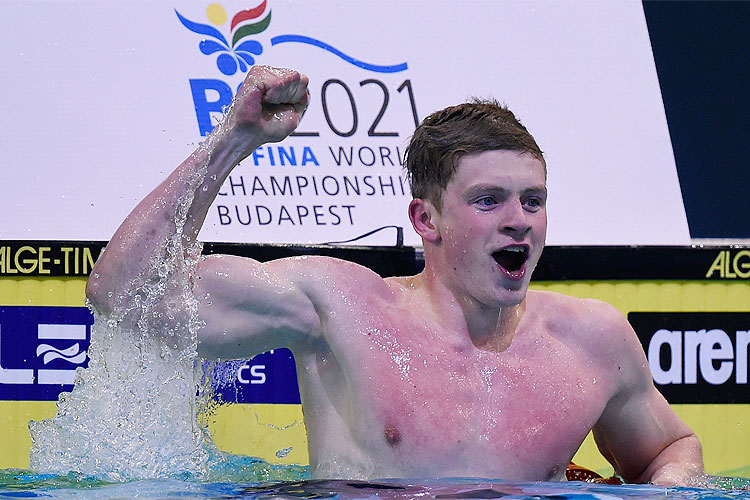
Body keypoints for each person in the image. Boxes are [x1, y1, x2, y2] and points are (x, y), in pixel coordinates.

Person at [86, 65, 704, 484]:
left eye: (533, 202)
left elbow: (672, 449)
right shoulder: (341, 309)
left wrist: (668, 487)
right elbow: (123, 296)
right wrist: (234, 140)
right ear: (425, 219)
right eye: (489, 201)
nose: (519, 222)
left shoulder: (591, 341)